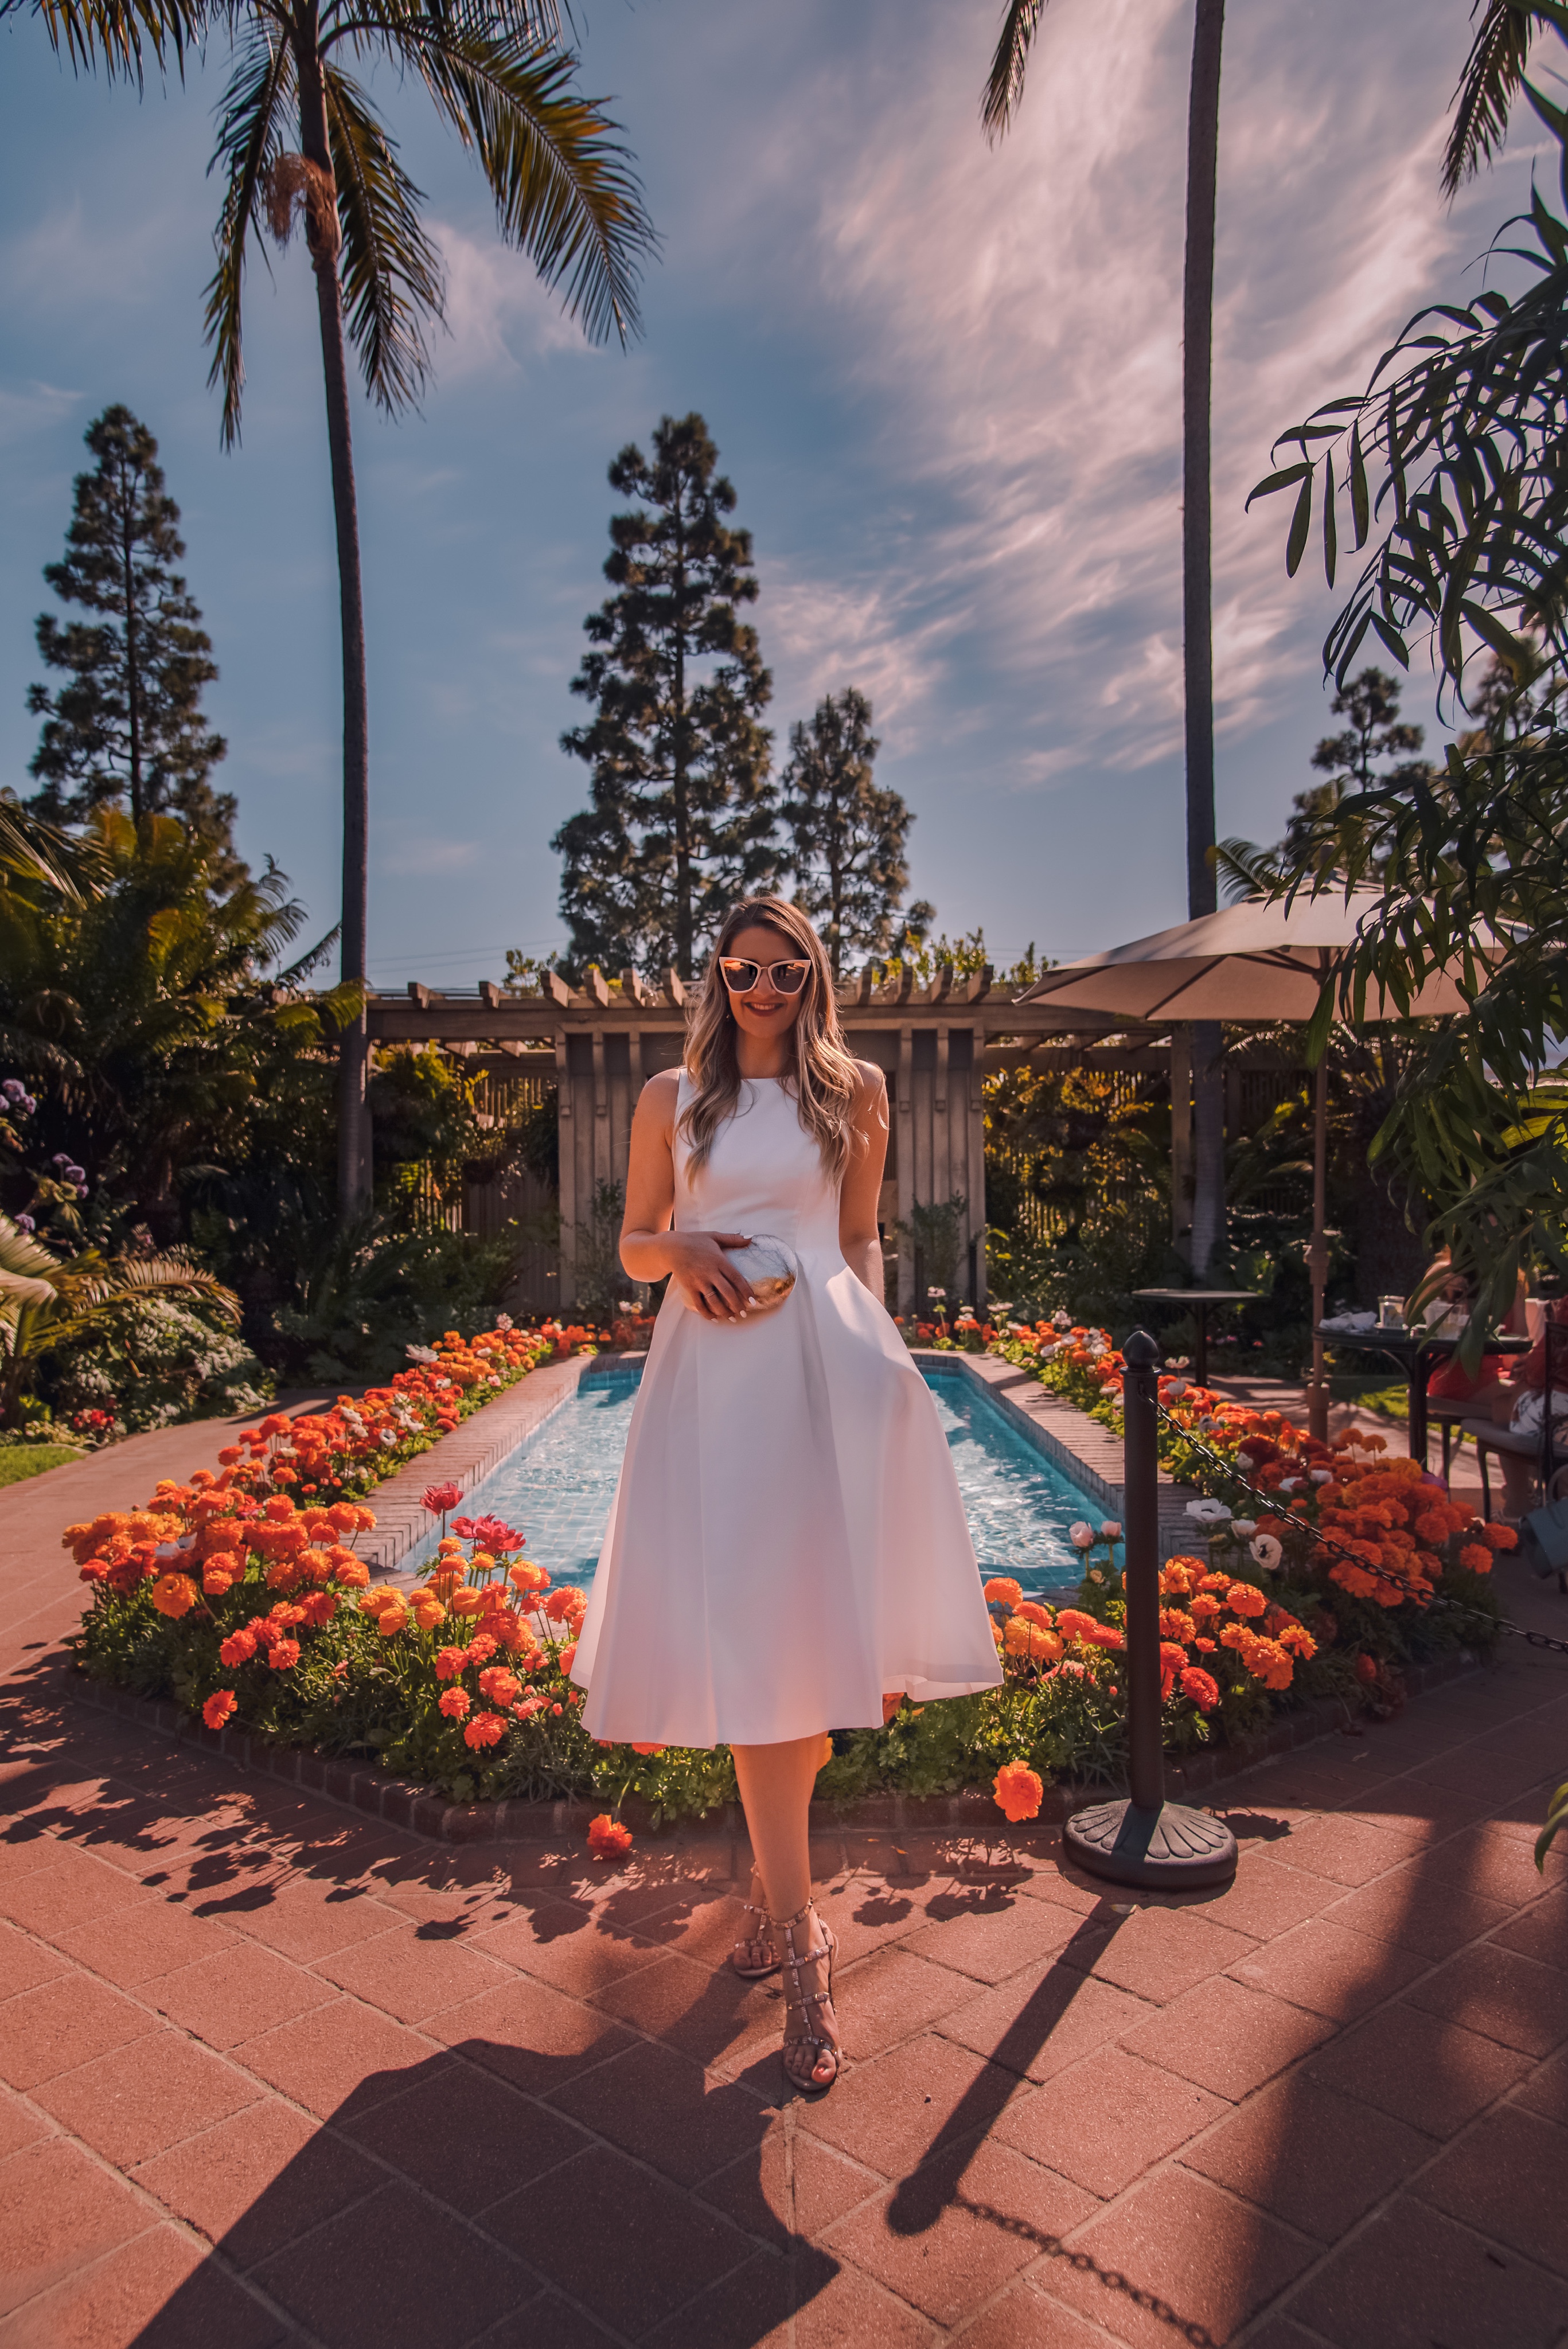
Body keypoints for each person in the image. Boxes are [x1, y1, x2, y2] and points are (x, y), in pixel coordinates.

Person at [570, 898, 1003, 2093]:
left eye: (787, 966)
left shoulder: (855, 1088)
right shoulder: (673, 1095)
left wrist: (878, 1359)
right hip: (713, 1376)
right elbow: (631, 1241)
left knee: (805, 1646)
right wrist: (688, 1251)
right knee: (765, 1639)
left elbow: (857, 1241)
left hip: (826, 1370)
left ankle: (775, 1901)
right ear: (717, 971)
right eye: (744, 967)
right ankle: (803, 1947)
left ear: (815, 972)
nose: (764, 985)